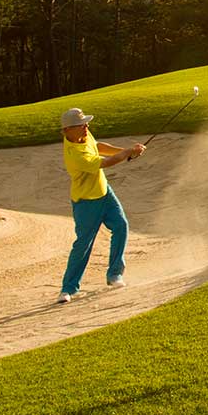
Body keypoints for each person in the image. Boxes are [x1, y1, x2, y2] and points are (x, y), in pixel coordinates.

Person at [57, 108, 144, 304]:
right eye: (82, 124)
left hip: (104, 193)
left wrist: (125, 151)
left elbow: (98, 146)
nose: (87, 127)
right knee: (83, 245)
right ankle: (68, 288)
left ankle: (114, 274)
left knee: (121, 226)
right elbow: (105, 163)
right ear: (68, 129)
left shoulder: (82, 135)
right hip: (86, 203)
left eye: (86, 123)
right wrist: (127, 153)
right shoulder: (74, 155)